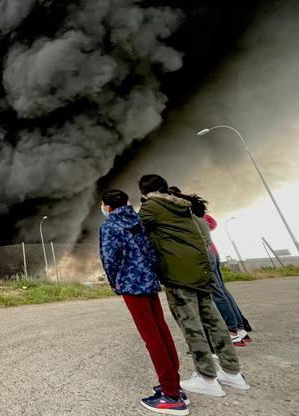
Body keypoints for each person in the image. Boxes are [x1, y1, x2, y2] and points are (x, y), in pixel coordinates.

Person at [138, 175, 249, 397]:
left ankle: (207, 377)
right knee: (213, 320)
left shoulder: (152, 207)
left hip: (179, 274)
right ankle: (232, 372)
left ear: (143, 191)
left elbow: (135, 229)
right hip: (201, 270)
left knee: (192, 325)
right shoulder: (184, 206)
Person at [99, 189, 189, 415]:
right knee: (161, 331)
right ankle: (173, 385)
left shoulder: (110, 226)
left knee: (152, 338)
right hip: (149, 282)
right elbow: (151, 251)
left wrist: (115, 283)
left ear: (107, 207)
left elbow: (109, 259)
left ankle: (171, 396)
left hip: (131, 285)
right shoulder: (138, 220)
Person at [171, 190, 253, 345]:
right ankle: (240, 329)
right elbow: (212, 223)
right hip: (211, 253)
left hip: (204, 255)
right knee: (221, 291)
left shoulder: (190, 218)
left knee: (216, 293)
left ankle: (232, 331)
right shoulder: (199, 216)